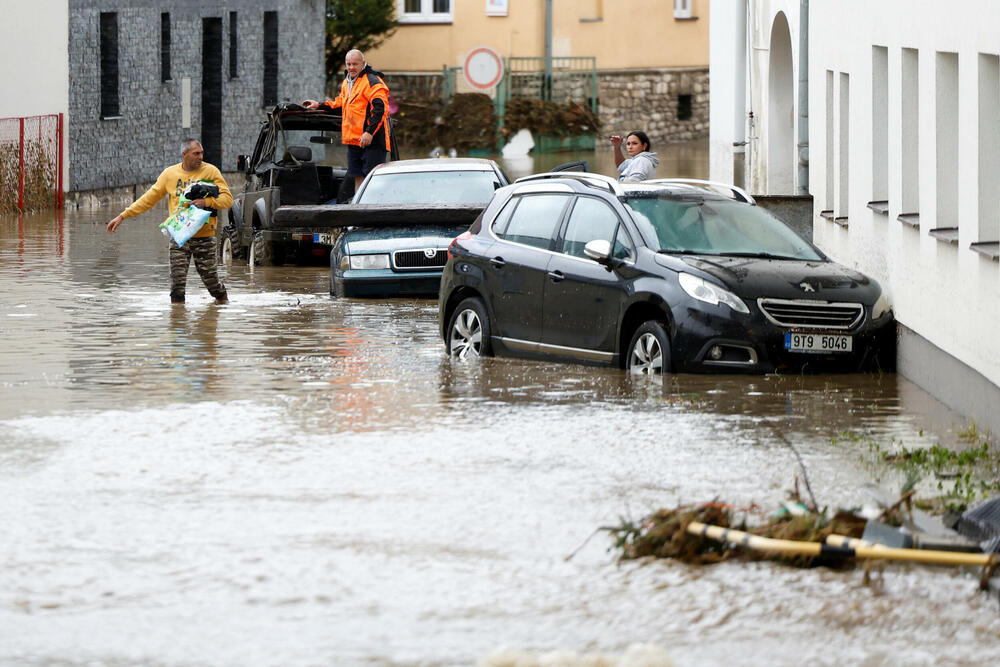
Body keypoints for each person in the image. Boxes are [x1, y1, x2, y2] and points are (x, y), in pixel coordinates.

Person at [106, 138, 232, 304]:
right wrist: (123, 215)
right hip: (179, 237)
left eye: (201, 153)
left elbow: (227, 200)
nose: (200, 157)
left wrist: (206, 202)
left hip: (205, 237)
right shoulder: (170, 174)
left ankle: (223, 305)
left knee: (212, 283)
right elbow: (148, 199)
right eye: (196, 153)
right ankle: (178, 318)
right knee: (177, 285)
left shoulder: (211, 172)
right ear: (184, 154)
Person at [302, 49, 391, 192]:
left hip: (373, 141)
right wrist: (319, 105)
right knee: (358, 178)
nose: (351, 67)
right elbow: (341, 104)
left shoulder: (373, 82)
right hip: (354, 141)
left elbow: (380, 109)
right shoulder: (347, 82)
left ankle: (370, 205)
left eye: (355, 64)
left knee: (372, 181)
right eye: (348, 64)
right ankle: (358, 205)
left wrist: (369, 133)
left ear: (363, 63)